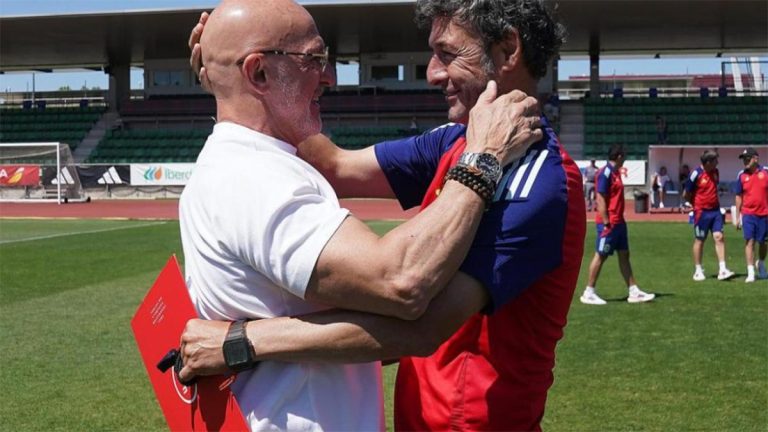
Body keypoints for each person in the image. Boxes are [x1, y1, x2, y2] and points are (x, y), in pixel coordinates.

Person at [181, 1, 586, 430]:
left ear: (507, 51)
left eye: (448, 54)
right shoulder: (457, 141)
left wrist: (243, 342)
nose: (432, 72)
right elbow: (336, 166)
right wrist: (227, 79)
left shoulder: (534, 177)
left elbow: (422, 323)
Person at [579, 145, 655, 305]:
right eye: (624, 156)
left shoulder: (615, 173)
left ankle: (633, 291)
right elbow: (600, 197)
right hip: (610, 223)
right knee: (601, 255)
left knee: (624, 254)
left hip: (619, 222)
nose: (625, 159)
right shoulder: (605, 173)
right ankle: (589, 291)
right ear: (619, 156)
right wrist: (606, 221)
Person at [683, 150, 736, 282]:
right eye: (715, 161)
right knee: (700, 240)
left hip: (715, 211)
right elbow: (686, 193)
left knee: (719, 237)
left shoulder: (715, 172)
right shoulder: (696, 174)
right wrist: (694, 204)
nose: (717, 163)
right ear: (708, 162)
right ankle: (698, 270)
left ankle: (722, 269)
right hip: (702, 212)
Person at [734, 147, 768, 282]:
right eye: (743, 159)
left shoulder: (766, 172)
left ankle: (761, 263)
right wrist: (737, 217)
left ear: (755, 158)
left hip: (764, 214)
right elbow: (738, 196)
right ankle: (750, 272)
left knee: (763, 242)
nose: (745, 162)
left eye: (747, 158)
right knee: (749, 241)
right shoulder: (741, 175)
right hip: (748, 214)